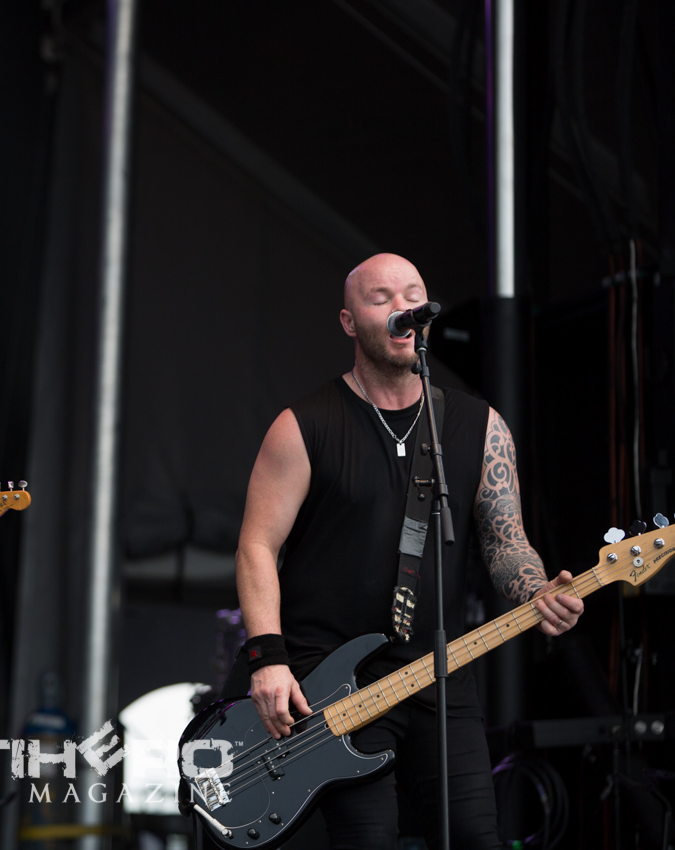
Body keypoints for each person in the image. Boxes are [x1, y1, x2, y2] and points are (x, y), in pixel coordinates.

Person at [234, 253, 584, 849]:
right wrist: (267, 658)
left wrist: (537, 590)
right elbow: (256, 546)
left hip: (438, 674)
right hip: (331, 685)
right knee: (369, 839)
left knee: (475, 836)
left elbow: (506, 541)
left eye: (414, 295)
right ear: (349, 322)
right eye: (382, 298)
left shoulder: (480, 426)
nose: (403, 308)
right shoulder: (303, 427)